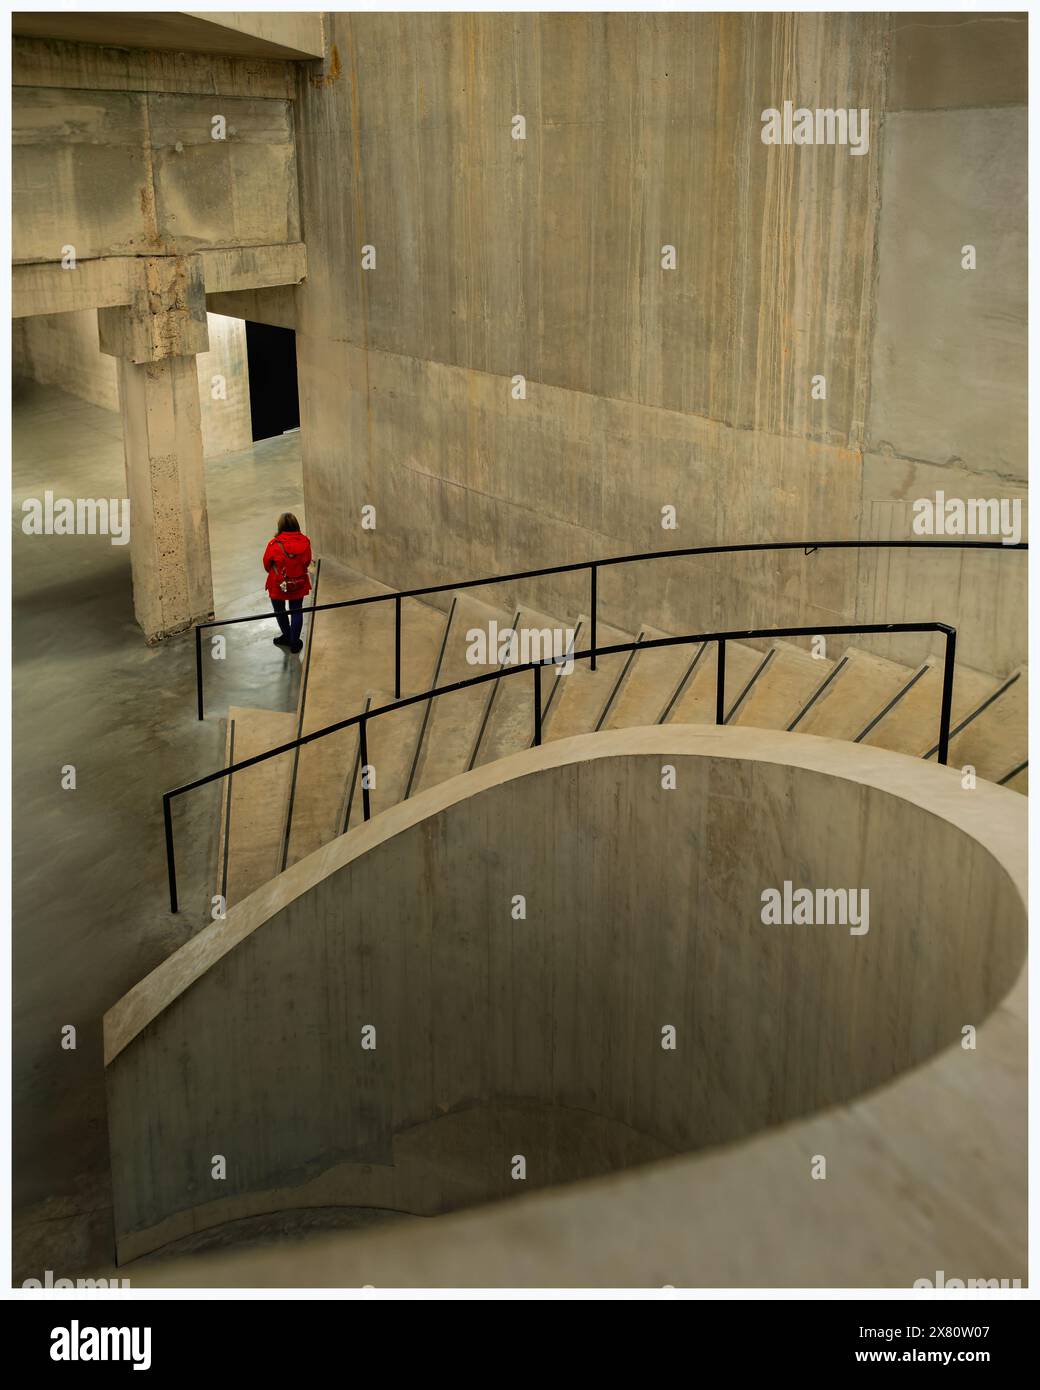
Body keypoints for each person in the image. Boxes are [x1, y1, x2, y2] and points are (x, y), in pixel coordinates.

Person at [263, 513, 312, 654]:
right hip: (298, 583)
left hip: (278, 584)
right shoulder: (305, 542)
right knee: (296, 610)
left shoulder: (274, 544)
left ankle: (287, 635)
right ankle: (295, 642)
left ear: (281, 527)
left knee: (279, 610)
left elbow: (267, 564)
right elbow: (307, 562)